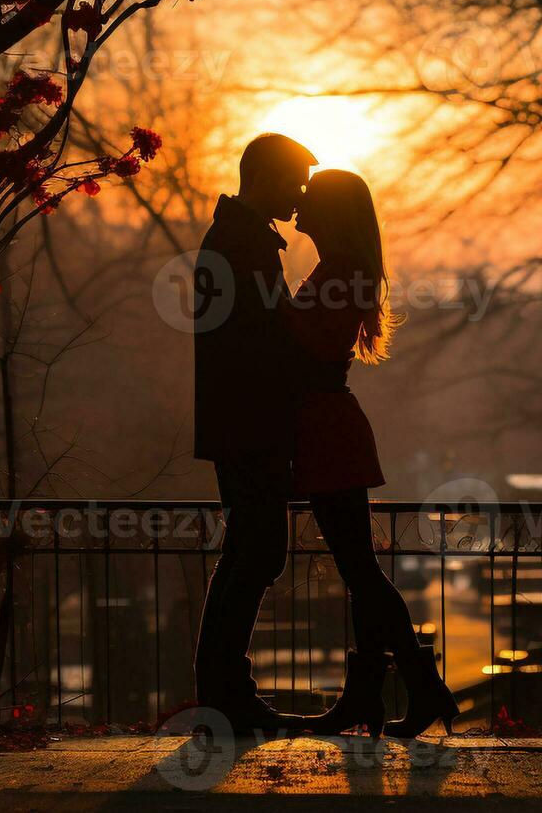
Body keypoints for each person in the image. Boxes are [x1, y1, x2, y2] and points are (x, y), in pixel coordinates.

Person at [285, 169, 459, 739]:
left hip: (327, 431)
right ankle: (374, 693)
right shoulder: (341, 269)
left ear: (331, 211)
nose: (298, 205)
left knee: (359, 569)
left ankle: (416, 684)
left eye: (311, 198)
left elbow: (306, 345)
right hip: (330, 428)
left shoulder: (339, 272)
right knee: (360, 569)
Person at [191, 133, 315, 732]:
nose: (299, 193)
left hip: (236, 422)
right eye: (293, 180)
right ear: (263, 176)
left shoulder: (231, 239)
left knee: (248, 548)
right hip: (252, 425)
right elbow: (268, 341)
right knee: (258, 549)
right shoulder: (248, 246)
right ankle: (226, 690)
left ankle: (222, 689)